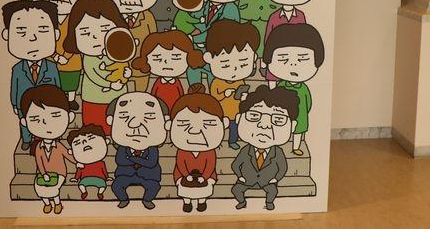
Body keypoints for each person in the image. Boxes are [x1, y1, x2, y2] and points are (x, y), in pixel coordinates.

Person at [27, 0, 94, 109]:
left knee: (71, 82)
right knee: (51, 82)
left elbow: (79, 40)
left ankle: (70, 99)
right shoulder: (40, 18)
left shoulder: (79, 18)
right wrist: (54, 56)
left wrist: (66, 56)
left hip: (73, 60)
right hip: (48, 60)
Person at [63, 0, 129, 134]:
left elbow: (122, 66)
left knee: (117, 122)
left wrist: (126, 73)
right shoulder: (89, 58)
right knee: (94, 124)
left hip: (118, 96)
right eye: (85, 32)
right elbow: (94, 75)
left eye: (104, 30)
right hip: (93, 97)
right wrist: (110, 84)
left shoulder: (118, 51)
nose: (95, 37)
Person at [99, 0, 161, 92]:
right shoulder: (107, 17)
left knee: (140, 94)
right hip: (116, 69)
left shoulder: (148, 17)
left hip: (140, 68)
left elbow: (153, 40)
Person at [3, 0, 61, 150]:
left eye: (42, 30)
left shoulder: (51, 67)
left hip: (47, 103)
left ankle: (49, 138)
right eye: (21, 32)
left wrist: (60, 101)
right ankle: (27, 139)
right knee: (25, 122)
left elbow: (57, 86)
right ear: (7, 35)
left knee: (47, 120)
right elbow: (14, 87)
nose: (32, 39)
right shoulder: (17, 69)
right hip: (24, 103)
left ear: (55, 34)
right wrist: (15, 104)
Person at [231, 85, 299, 211]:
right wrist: (240, 176)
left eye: (278, 119)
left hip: (267, 181)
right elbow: (235, 164)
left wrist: (275, 179)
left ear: (292, 126)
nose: (264, 125)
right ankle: (242, 202)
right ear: (239, 118)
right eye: (254, 115)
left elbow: (283, 168)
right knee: (236, 189)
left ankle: (269, 203)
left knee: (273, 191)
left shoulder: (277, 152)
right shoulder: (246, 150)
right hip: (247, 179)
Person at [263, 23, 324, 156]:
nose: (293, 64)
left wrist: (304, 112)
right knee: (281, 128)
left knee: (298, 132)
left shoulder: (303, 88)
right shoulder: (281, 86)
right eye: (283, 59)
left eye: (302, 59)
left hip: (300, 115)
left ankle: (295, 147)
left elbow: (308, 103)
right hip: (283, 114)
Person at [168, 84, 228, 213]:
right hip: (184, 174)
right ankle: (187, 202)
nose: (195, 131)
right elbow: (180, 164)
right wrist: (186, 176)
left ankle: (202, 202)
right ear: (170, 125)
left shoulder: (209, 152)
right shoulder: (182, 151)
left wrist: (204, 177)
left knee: (205, 188)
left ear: (224, 124)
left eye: (208, 123)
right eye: (183, 124)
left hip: (205, 175)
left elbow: (210, 165)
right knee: (184, 188)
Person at [107, 92, 170, 210]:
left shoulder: (152, 148)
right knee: (116, 186)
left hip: (148, 176)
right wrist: (140, 160)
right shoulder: (123, 147)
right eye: (124, 116)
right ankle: (123, 199)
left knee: (154, 187)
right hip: (125, 174)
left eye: (149, 116)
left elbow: (151, 163)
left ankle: (147, 200)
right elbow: (120, 161)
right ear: (111, 120)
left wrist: (132, 158)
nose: (135, 125)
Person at [19, 85, 76, 214]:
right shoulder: (39, 147)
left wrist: (77, 162)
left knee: (53, 189)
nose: (46, 124)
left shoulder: (59, 146)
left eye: (55, 116)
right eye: (36, 119)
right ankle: (47, 203)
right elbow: (39, 162)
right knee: (39, 189)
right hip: (43, 174)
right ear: (25, 122)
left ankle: (57, 203)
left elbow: (68, 155)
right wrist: (44, 173)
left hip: (59, 173)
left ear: (70, 117)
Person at [205, 19, 259, 149]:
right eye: (225, 65)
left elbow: (241, 94)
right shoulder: (217, 82)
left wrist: (244, 96)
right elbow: (214, 97)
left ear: (254, 58)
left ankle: (232, 141)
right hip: (221, 111)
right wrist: (225, 93)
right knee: (219, 127)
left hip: (235, 111)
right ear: (209, 59)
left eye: (243, 64)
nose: (234, 70)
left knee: (234, 127)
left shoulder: (240, 81)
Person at [132, 30, 205, 112]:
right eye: (157, 58)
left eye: (176, 57)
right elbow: (151, 96)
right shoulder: (156, 82)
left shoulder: (179, 83)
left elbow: (182, 96)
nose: (166, 62)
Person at [67, 124, 112, 200]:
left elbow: (104, 171)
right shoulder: (82, 164)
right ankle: (84, 192)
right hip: (85, 179)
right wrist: (76, 178)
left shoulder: (101, 163)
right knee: (81, 185)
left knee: (102, 186)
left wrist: (107, 177)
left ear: (106, 142)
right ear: (71, 151)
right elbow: (79, 172)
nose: (85, 143)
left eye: (91, 138)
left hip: (99, 179)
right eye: (78, 143)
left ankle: (100, 193)